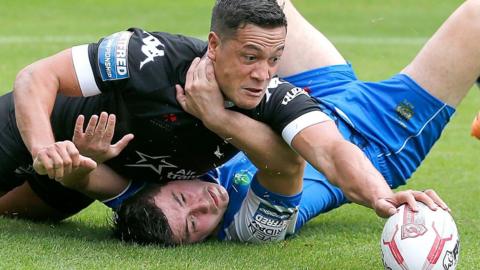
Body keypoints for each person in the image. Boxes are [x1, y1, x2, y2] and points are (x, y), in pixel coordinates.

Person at [1, 0, 423, 223]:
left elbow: (331, 151)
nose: (263, 74)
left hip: (74, 176)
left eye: (275, 59)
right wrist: (44, 146)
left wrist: (381, 196)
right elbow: (36, 78)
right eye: (251, 56)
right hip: (27, 131)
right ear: (215, 45)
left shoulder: (273, 99)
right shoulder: (150, 57)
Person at [108, 0, 480, 247]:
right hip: (377, 135)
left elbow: (91, 180)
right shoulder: (249, 227)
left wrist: (78, 157)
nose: (200, 205)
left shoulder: (151, 200)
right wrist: (382, 195)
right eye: (194, 225)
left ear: (163, 186)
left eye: (182, 199)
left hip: (308, 94)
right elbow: (313, 157)